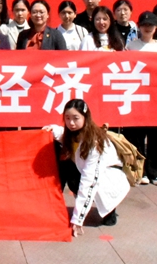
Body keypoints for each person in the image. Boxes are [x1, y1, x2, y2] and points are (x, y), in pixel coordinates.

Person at [44, 99, 129, 235]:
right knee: (67, 166)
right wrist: (51, 130)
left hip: (108, 177)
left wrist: (77, 219)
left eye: (76, 118)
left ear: (85, 117)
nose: (71, 123)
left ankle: (110, 210)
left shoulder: (94, 143)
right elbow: (61, 133)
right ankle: (54, 204)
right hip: (87, 172)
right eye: (67, 118)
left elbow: (89, 182)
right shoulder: (72, 133)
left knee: (82, 184)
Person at [125, 11, 157, 186]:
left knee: (156, 136)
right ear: (139, 27)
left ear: (156, 27)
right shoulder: (131, 46)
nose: (147, 28)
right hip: (136, 94)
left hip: (156, 96)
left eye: (151, 25)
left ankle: (156, 172)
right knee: (136, 135)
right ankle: (138, 170)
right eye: (144, 25)